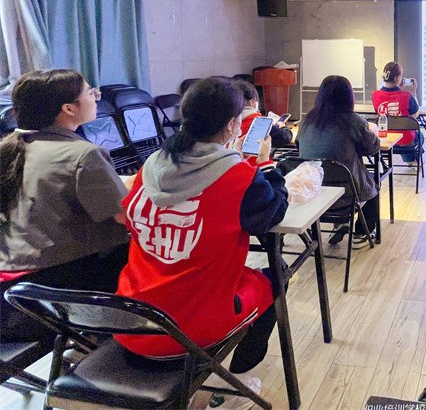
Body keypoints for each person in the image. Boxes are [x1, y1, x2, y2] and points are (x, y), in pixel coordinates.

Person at [116, 77, 287, 409]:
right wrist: (264, 163)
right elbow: (273, 212)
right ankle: (230, 381)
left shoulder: (151, 166)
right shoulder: (239, 176)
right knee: (276, 274)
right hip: (187, 330)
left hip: (128, 319)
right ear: (233, 125)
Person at [0, 69, 129, 344]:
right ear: (68, 108)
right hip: (55, 291)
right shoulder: (83, 155)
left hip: (13, 291)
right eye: (91, 92)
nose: (96, 97)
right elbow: (125, 217)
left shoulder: (12, 147)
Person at [296, 75, 381, 246]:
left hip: (311, 189)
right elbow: (372, 147)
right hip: (346, 193)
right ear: (349, 97)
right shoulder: (354, 121)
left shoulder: (307, 120)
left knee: (335, 170)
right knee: (373, 182)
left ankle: (340, 224)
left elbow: (298, 146)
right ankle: (361, 232)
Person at [372, 62, 422, 162]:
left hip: (384, 138)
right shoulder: (407, 96)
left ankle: (409, 161)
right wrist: (413, 93)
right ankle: (411, 161)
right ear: (397, 78)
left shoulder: (375, 95)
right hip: (405, 140)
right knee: (420, 136)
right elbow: (415, 115)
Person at [233, 79, 293, 150]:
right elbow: (283, 137)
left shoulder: (227, 121)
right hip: (257, 157)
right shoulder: (259, 122)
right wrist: (283, 127)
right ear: (252, 103)